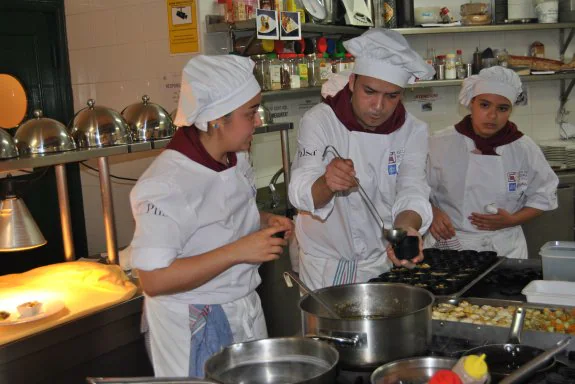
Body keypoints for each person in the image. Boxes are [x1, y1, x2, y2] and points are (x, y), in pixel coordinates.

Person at [128, 55, 293, 377]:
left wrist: (262, 221)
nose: (258, 121)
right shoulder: (165, 184)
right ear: (217, 118)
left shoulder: (234, 157)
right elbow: (154, 279)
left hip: (242, 304)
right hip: (194, 320)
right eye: (250, 113)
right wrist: (239, 251)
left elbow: (218, 215)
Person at [288, 28, 436, 290]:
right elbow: (300, 189)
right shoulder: (321, 121)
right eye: (370, 91)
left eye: (391, 96)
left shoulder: (413, 130)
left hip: (382, 262)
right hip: (326, 269)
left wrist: (406, 230)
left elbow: (412, 188)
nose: (378, 106)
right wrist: (327, 183)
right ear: (353, 82)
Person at [425, 66, 558, 259]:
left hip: (506, 248)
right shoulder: (440, 143)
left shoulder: (524, 148)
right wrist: (432, 212)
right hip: (450, 246)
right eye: (485, 105)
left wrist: (512, 220)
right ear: (471, 104)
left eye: (502, 108)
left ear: (510, 110)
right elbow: (414, 188)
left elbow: (544, 195)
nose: (492, 115)